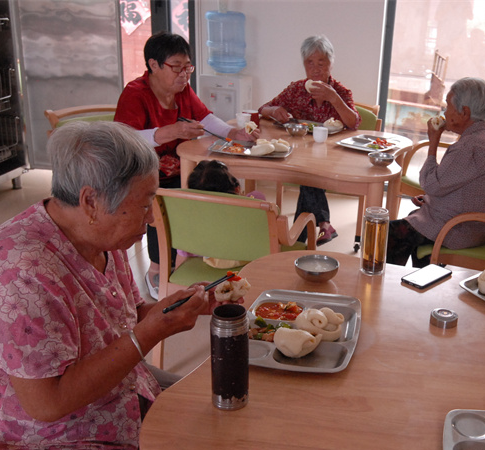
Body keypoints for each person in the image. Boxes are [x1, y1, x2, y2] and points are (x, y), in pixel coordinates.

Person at [0, 122, 291, 450]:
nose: (150, 218)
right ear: (91, 201)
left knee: (223, 407)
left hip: (113, 392)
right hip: (38, 441)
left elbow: (130, 312)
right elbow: (46, 403)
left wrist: (190, 306)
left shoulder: (98, 239)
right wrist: (151, 333)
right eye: (144, 204)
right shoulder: (23, 269)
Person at [115, 31, 258, 300]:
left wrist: (233, 133)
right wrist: (172, 131)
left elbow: (205, 117)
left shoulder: (182, 91)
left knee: (206, 189)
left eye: (187, 67)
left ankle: (195, 253)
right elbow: (126, 138)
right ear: (153, 65)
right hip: (143, 172)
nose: (184, 75)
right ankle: (157, 270)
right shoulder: (135, 94)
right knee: (164, 207)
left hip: (179, 168)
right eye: (176, 68)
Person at [385, 77, 485, 267]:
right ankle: (423, 278)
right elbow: (457, 185)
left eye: (448, 106)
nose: (444, 111)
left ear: (464, 113)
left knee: (386, 233)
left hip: (460, 229)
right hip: (477, 227)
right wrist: (430, 199)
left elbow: (430, 184)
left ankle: (387, 286)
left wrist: (433, 141)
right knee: (412, 220)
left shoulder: (469, 148)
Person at [259, 35, 361, 245]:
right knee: (308, 173)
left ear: (331, 64)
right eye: (309, 63)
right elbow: (263, 109)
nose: (315, 69)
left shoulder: (341, 92)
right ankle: (317, 229)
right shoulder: (296, 89)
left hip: (332, 156)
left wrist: (334, 98)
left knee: (308, 175)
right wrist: (275, 110)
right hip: (299, 154)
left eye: (321, 63)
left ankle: (301, 235)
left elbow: (353, 123)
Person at [176, 159, 266, 270]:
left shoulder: (193, 220)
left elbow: (183, 251)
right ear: (236, 188)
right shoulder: (256, 201)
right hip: (251, 262)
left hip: (211, 263)